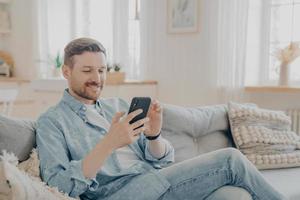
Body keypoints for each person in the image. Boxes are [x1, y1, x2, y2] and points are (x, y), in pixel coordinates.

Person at [36, 38, 287, 200]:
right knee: (230, 159)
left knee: (231, 195)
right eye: (87, 70)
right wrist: (108, 143)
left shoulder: (117, 106)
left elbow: (162, 158)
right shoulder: (52, 122)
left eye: (101, 70)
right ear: (66, 71)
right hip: (117, 193)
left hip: (152, 179)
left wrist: (154, 135)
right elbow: (59, 185)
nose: (97, 78)